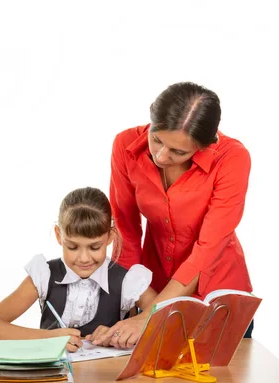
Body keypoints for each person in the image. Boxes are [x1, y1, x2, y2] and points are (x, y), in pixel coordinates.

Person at [93, 82, 253, 348]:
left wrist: (150, 316)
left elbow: (207, 250)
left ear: (204, 146)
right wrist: (131, 300)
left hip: (217, 297)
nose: (161, 156)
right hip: (150, 290)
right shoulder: (125, 145)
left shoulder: (232, 158)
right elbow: (127, 232)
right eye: (156, 139)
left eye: (178, 152)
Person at [0, 187, 157, 352]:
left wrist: (119, 332)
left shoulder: (127, 281)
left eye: (95, 247)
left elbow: (167, 316)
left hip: (107, 379)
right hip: (52, 378)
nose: (84, 258)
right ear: (59, 235)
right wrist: (48, 338)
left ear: (110, 237)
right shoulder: (44, 275)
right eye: (72, 247)